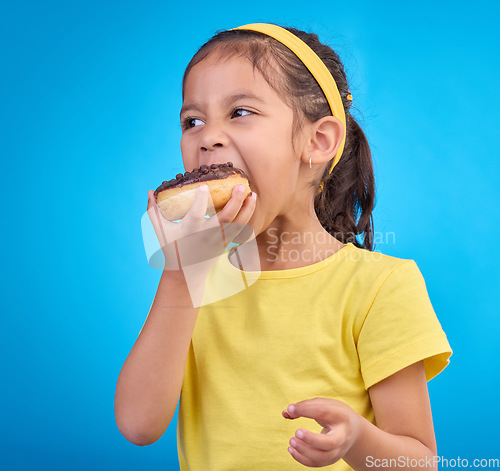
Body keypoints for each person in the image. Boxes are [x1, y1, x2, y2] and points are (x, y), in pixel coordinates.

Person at [115, 23, 452, 471]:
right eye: (192, 121)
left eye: (239, 112)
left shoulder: (379, 287)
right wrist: (180, 274)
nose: (207, 137)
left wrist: (356, 438)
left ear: (317, 141)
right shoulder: (196, 282)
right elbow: (139, 426)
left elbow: (420, 462)